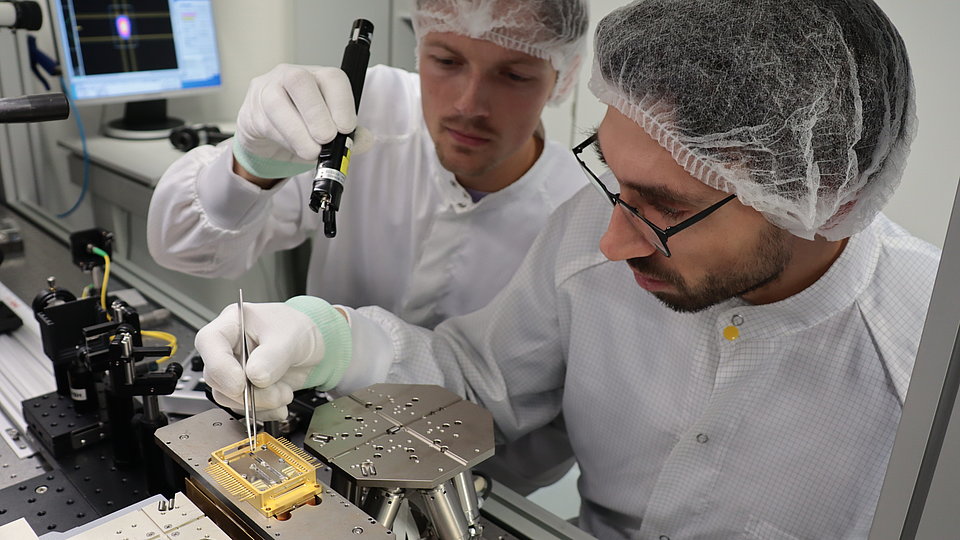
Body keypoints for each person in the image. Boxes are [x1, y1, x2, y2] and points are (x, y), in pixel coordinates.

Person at [195, 0, 940, 537]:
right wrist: (327, 336)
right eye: (612, 177)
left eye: (661, 204)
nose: (612, 243)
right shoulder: (590, 232)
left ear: (817, 199)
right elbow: (478, 378)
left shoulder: (926, 354)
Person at [147, 0, 588, 492]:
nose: (469, 103)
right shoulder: (366, 111)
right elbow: (183, 249)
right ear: (419, 45)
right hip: (305, 447)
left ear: (562, 76)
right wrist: (250, 165)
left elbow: (539, 427)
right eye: (446, 61)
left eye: (513, 75)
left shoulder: (583, 216)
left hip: (473, 489)